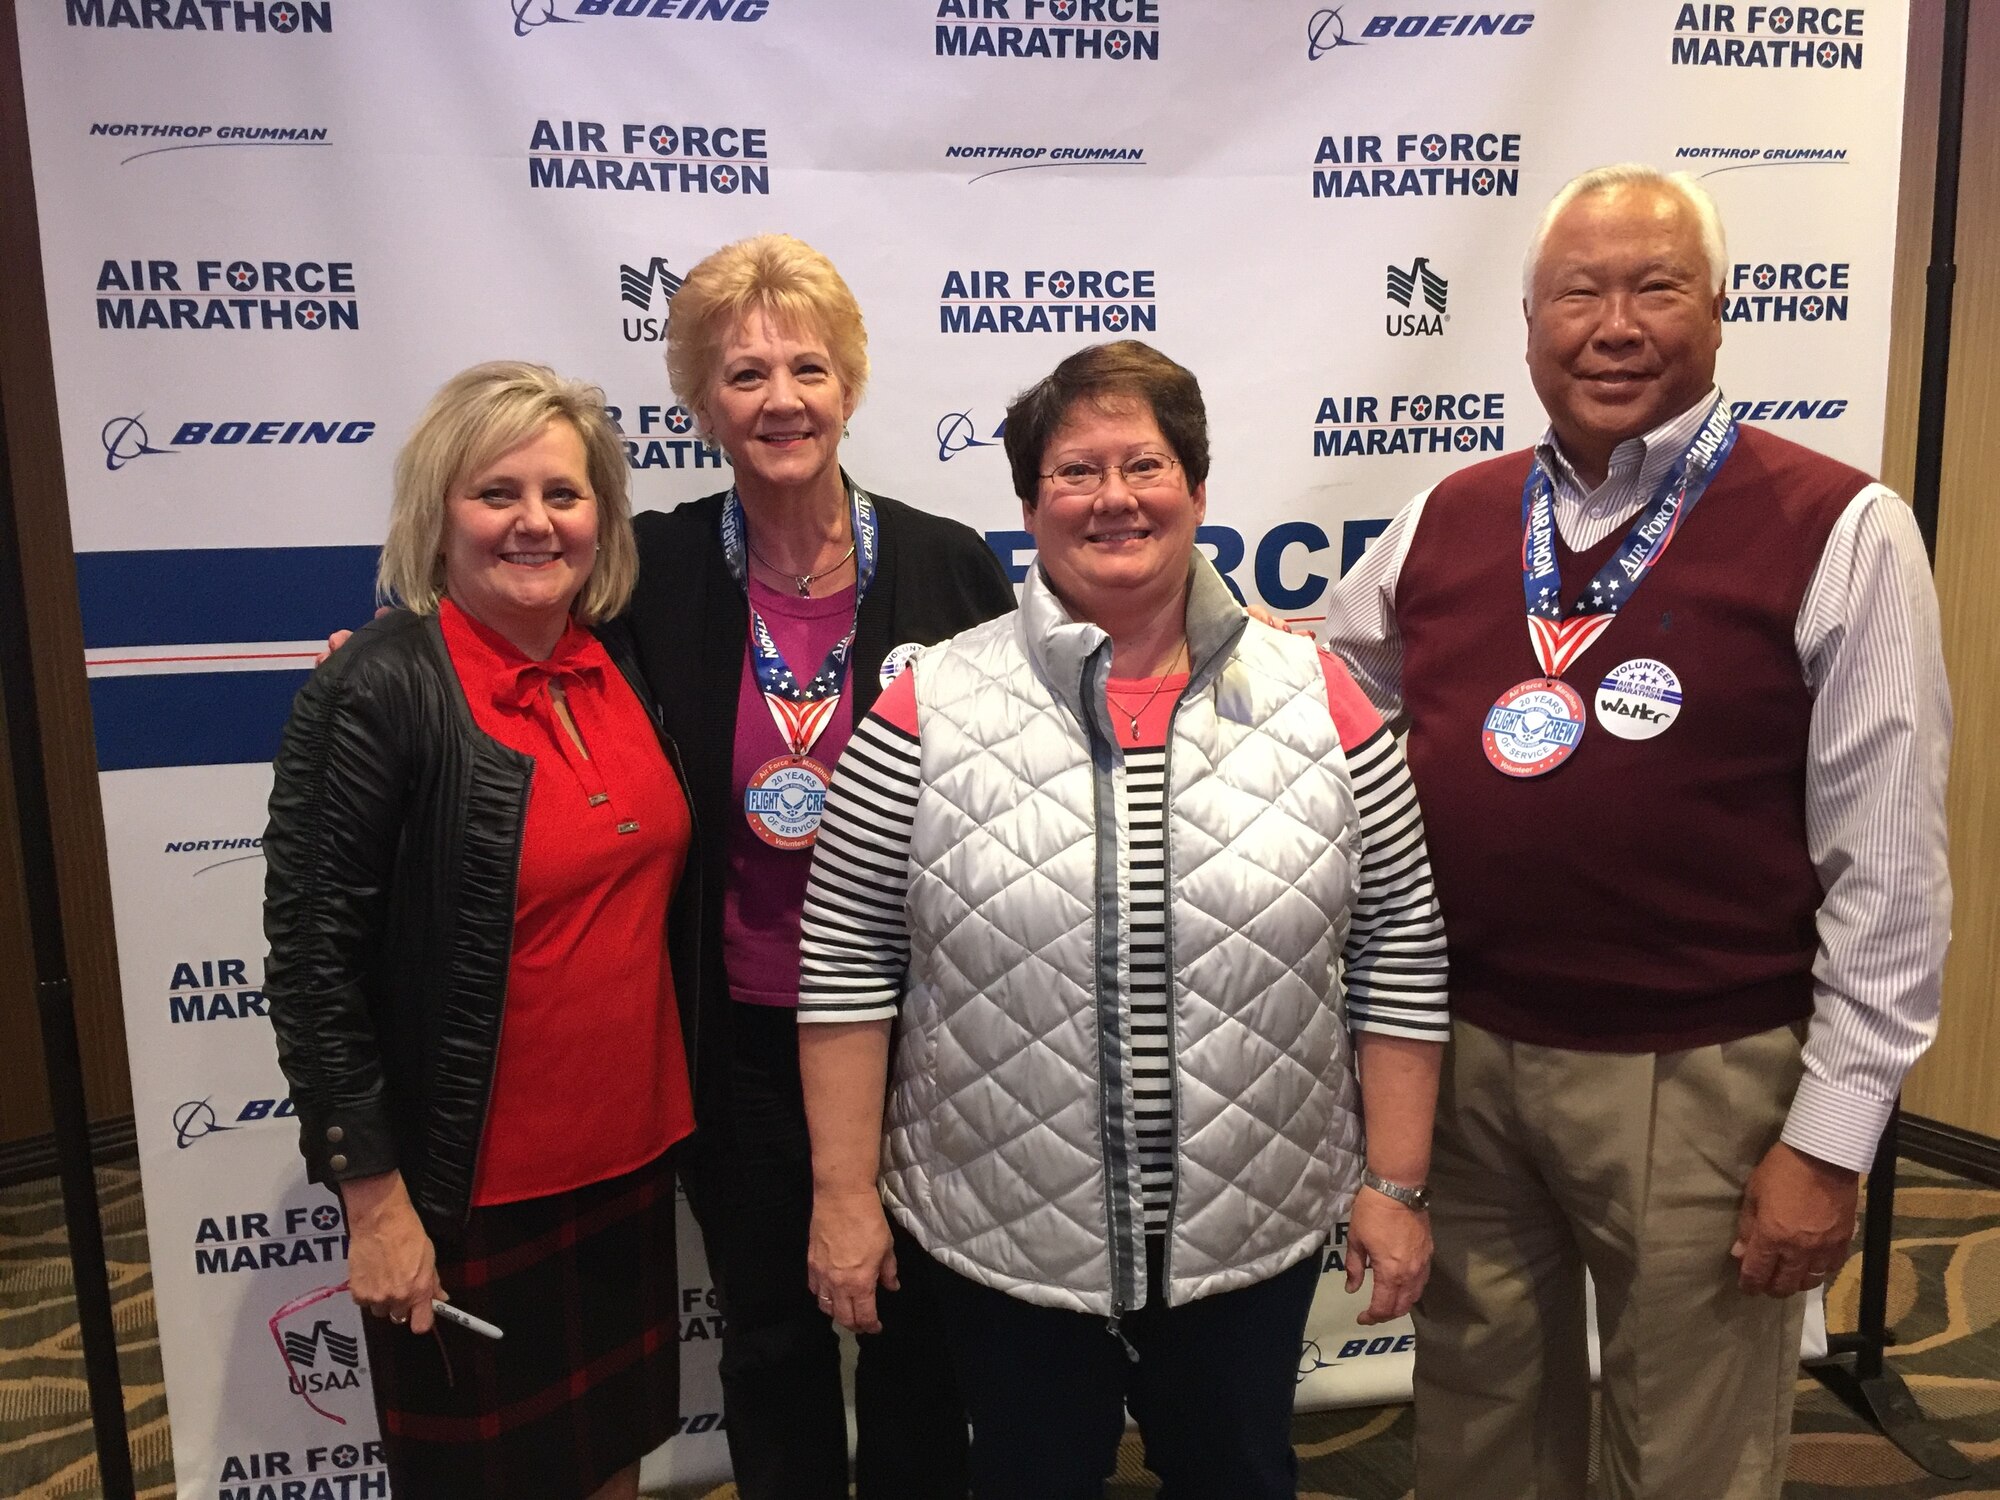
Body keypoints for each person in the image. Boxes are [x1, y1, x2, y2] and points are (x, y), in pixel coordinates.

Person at [1322, 164, 1953, 1500]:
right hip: (1469, 1060)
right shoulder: (1455, 512)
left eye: (1655, 287)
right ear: (1531, 320)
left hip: (1705, 1079)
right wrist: (1147, 614)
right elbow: (1322, 687)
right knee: (1480, 1429)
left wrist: (1830, 1141)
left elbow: (1887, 870)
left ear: (1720, 314)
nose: (1613, 324)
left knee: (1688, 1454)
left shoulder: (1844, 529)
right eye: (1578, 292)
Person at [796, 339, 1450, 1500]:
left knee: (1238, 1477)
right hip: (1000, 1238)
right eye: (1074, 472)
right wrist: (844, 1196)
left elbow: (1398, 941)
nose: (1112, 499)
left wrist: (1392, 1188)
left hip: (1250, 1237)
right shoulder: (926, 703)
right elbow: (847, 956)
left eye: (1143, 464)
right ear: (1027, 503)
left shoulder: (1325, 702)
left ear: (1196, 488)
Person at [625, 233, 1019, 1500]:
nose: (779, 399)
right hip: (736, 1028)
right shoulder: (653, 567)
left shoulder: (946, 559)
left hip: (925, 1029)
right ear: (699, 404)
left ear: (847, 385)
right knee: (772, 1335)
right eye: (743, 374)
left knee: (917, 1341)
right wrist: (388, 656)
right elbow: (504, 631)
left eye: (806, 366)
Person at [263, 362, 697, 1500]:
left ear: (601, 517)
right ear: (435, 515)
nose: (533, 522)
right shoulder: (378, 689)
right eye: (496, 492)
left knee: (611, 1462)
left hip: (629, 1162)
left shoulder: (621, 663)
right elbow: (316, 972)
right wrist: (374, 1202)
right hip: (468, 1197)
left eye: (563, 493)